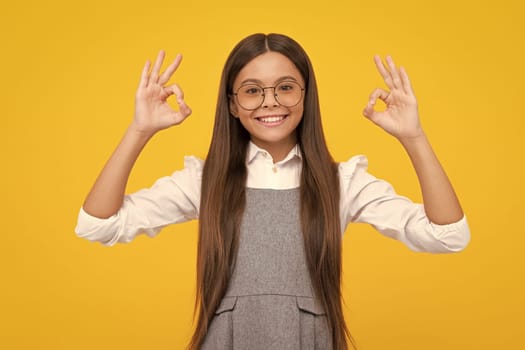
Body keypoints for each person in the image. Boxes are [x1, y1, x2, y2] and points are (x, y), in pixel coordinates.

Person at [75, 33, 470, 350]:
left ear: (306, 95)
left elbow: (447, 235)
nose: (270, 102)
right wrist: (139, 130)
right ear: (232, 104)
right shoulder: (204, 180)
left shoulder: (343, 182)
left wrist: (413, 137)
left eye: (285, 87)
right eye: (251, 90)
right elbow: (97, 225)